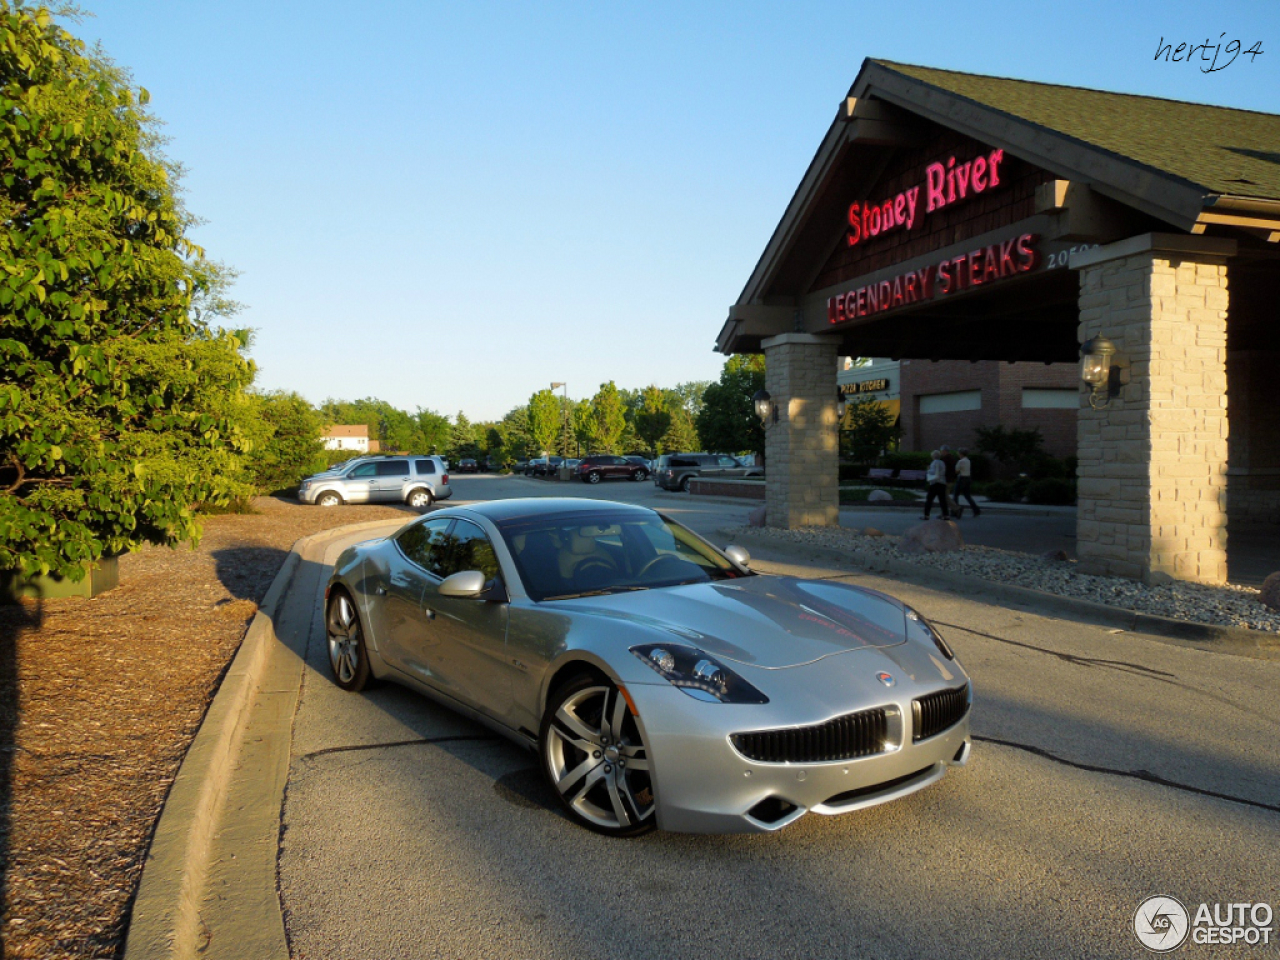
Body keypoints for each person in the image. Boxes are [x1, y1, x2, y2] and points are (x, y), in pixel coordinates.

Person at [921, 449, 950, 521]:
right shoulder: (942, 463)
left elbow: (933, 472)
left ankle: (926, 515)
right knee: (942, 500)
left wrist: (928, 470)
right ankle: (946, 515)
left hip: (934, 483)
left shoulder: (934, 463)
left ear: (933, 456)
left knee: (929, 499)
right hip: (942, 483)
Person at [953, 447, 980, 518]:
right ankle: (976, 509)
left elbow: (956, 471)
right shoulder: (968, 461)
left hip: (961, 478)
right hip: (968, 478)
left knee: (955, 495)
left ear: (961, 454)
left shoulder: (960, 461)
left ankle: (955, 510)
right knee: (967, 495)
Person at [940, 444, 959, 517]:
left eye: (941, 451)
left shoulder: (945, 459)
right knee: (945, 496)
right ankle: (948, 511)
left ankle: (956, 508)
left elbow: (944, 470)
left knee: (944, 497)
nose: (941, 452)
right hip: (950, 479)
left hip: (946, 480)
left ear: (944, 451)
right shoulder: (952, 458)